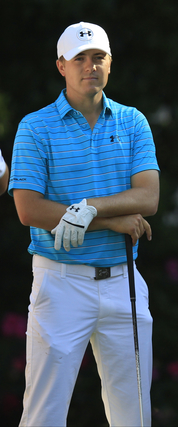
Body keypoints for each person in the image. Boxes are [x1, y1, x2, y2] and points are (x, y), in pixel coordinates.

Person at [9, 22, 159, 426]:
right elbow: (28, 208)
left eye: (98, 57)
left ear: (109, 63)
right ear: (61, 65)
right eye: (79, 58)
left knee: (135, 417)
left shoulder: (132, 122)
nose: (89, 66)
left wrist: (88, 207)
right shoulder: (34, 127)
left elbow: (148, 196)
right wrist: (111, 222)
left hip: (122, 281)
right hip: (60, 284)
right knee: (44, 415)